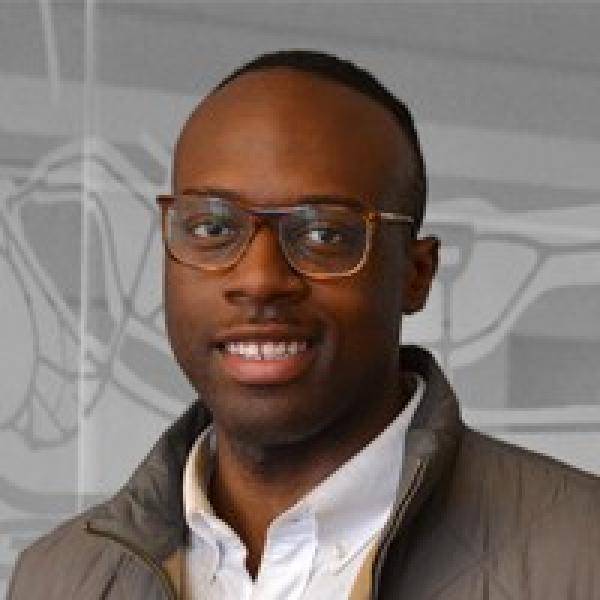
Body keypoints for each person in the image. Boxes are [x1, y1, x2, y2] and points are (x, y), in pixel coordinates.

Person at [8, 49, 600, 600]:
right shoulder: (55, 579)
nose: (261, 280)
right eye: (214, 229)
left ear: (416, 275)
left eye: (324, 235)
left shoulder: (581, 555)